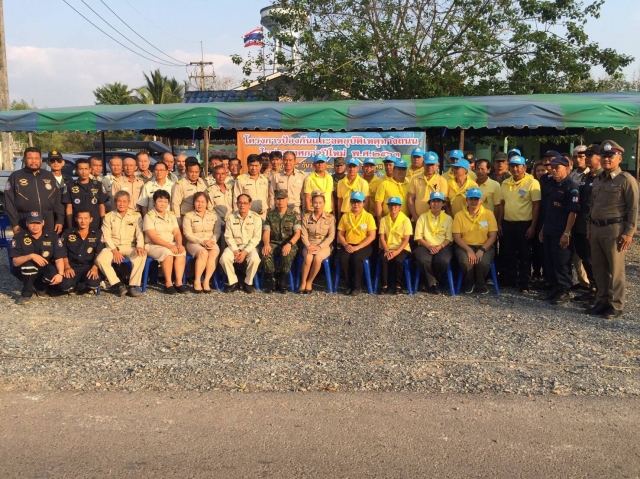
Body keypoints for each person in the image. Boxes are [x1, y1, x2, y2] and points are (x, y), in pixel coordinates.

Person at [586, 140, 639, 319]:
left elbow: (633, 208)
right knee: (599, 268)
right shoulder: (598, 180)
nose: (606, 159)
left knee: (616, 270)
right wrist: (589, 227)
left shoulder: (626, 180)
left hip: (614, 230)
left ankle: (616, 304)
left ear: (619, 158)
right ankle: (602, 301)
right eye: (604, 156)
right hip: (596, 228)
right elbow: (592, 205)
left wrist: (629, 232)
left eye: (610, 156)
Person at [538, 155, 580, 305]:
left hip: (561, 231)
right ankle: (554, 289)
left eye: (557, 168)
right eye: (553, 168)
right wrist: (543, 229)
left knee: (562, 262)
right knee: (550, 261)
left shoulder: (571, 186)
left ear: (567, 169)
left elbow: (573, 212)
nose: (554, 170)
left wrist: (567, 233)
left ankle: (564, 290)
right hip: (549, 229)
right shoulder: (552, 185)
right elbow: (549, 210)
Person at [499, 154, 541, 293]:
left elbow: (536, 206)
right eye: (512, 166)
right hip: (508, 223)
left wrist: (533, 227)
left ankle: (524, 283)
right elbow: (502, 204)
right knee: (508, 253)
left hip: (524, 224)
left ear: (524, 167)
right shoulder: (505, 183)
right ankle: (511, 280)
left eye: (518, 166)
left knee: (524, 255)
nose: (515, 169)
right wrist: (499, 223)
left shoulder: (532, 183)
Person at [96, 190, 146, 297]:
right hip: (112, 247)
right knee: (100, 259)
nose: (122, 204)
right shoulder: (109, 216)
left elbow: (140, 233)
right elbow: (106, 236)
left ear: (129, 202)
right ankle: (118, 285)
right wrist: (114, 251)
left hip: (130, 246)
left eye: (124, 201)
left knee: (141, 255)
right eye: (119, 201)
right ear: (115, 202)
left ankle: (132, 286)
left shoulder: (136, 216)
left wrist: (139, 246)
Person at [9, 212, 66, 305]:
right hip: (23, 268)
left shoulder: (52, 236)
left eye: (38, 223)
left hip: (43, 266)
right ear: (27, 224)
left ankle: (39, 288)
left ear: (43, 223)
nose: (35, 226)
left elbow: (59, 258)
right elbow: (15, 262)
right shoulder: (18, 237)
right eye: (32, 223)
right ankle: (26, 294)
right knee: (28, 266)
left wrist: (60, 274)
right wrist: (31, 256)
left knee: (54, 273)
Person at [5, 147, 64, 235]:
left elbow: (58, 200)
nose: (33, 161)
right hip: (24, 221)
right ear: (24, 159)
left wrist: (60, 220)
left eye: (36, 158)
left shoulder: (49, 176)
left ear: (41, 160)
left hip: (48, 220)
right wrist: (14, 223)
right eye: (30, 158)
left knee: (48, 243)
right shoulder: (15, 176)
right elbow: (9, 202)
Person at [452, 188, 498, 295]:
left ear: (481, 200)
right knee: (466, 262)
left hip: (485, 245)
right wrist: (468, 250)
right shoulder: (459, 215)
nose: (474, 201)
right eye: (471, 199)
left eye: (476, 199)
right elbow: (457, 237)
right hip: (464, 246)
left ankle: (480, 283)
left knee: (483, 262)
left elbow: (492, 236)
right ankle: (470, 282)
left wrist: (482, 249)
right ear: (466, 200)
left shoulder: (489, 214)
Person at [572, 144, 602, 303]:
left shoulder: (602, 177)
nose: (587, 159)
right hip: (580, 223)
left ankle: (600, 292)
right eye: (586, 155)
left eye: (590, 156)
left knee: (593, 259)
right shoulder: (586, 177)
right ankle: (592, 288)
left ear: (599, 158)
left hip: (593, 225)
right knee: (584, 256)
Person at [143, 190, 187, 294]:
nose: (163, 204)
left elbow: (177, 232)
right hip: (153, 245)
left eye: (165, 202)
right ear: (154, 202)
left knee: (181, 251)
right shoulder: (149, 216)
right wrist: (169, 246)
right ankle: (168, 283)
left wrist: (179, 244)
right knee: (167, 253)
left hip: (170, 243)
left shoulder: (171, 215)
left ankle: (178, 282)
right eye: (160, 201)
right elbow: (153, 237)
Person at [261, 189, 302, 293]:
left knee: (287, 254)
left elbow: (297, 233)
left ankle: (283, 280)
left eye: (283, 199)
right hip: (274, 243)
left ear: (287, 199)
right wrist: (266, 244)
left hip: (289, 243)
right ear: (275, 200)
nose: (280, 201)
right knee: (265, 253)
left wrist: (289, 244)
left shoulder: (295, 215)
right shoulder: (270, 215)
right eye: (278, 199)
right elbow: (266, 232)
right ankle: (272, 280)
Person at [220, 194, 262, 293]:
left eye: (245, 203)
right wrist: (235, 250)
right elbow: (228, 237)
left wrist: (245, 252)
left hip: (249, 247)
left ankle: (248, 282)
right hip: (234, 246)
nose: (242, 205)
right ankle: (233, 282)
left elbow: (256, 238)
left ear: (250, 205)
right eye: (240, 203)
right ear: (237, 204)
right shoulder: (231, 217)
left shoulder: (256, 218)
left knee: (255, 259)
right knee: (224, 259)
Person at [337, 191, 377, 295]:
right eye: (353, 201)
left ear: (363, 203)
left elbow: (372, 236)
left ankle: (357, 286)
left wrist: (358, 247)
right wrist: (346, 244)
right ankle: (349, 285)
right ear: (350, 202)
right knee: (343, 258)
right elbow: (340, 234)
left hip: (363, 245)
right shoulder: (345, 216)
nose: (356, 204)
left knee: (357, 258)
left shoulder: (368, 216)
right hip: (348, 244)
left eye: (358, 202)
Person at [413, 191, 453, 294]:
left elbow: (449, 238)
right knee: (423, 260)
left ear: (443, 204)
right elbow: (418, 237)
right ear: (429, 203)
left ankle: (430, 281)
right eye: (433, 201)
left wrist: (440, 247)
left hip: (442, 246)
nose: (436, 204)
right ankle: (434, 284)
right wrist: (429, 246)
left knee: (442, 261)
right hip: (425, 245)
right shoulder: (422, 217)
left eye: (438, 201)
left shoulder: (448, 219)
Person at [298, 190, 335, 294]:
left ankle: (310, 282)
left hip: (324, 246)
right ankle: (303, 282)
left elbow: (331, 236)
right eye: (315, 203)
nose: (317, 205)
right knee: (308, 257)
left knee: (318, 258)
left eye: (320, 203)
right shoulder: (306, 217)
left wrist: (319, 247)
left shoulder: (330, 218)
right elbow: (303, 234)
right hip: (309, 244)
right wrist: (308, 246)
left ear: (324, 203)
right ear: (312, 203)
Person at [182, 192, 221, 293]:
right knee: (203, 253)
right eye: (197, 201)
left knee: (214, 252)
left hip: (210, 241)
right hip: (194, 242)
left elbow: (217, 232)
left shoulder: (214, 215)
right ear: (194, 203)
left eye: (203, 202)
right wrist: (202, 241)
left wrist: (212, 241)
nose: (200, 204)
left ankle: (206, 281)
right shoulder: (188, 216)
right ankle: (197, 280)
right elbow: (187, 234)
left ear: (207, 203)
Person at [58, 210, 104, 295]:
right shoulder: (68, 233)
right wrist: (67, 267)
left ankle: (84, 285)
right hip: (72, 266)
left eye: (86, 218)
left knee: (93, 284)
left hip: (89, 267)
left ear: (91, 219)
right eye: (80, 218)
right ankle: (75, 286)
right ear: (76, 219)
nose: (83, 221)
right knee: (65, 286)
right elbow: (63, 252)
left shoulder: (97, 234)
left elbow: (99, 253)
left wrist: (95, 267)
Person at [378, 196, 412, 294]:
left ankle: (398, 285)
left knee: (398, 260)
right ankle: (384, 285)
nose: (393, 208)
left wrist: (397, 252)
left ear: (400, 207)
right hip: (387, 247)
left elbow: (406, 239)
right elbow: (382, 238)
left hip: (402, 248)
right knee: (383, 258)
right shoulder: (384, 219)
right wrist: (386, 249)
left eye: (396, 206)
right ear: (388, 207)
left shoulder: (405, 220)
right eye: (391, 205)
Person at [567, 145, 591, 291]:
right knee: (577, 253)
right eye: (575, 156)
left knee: (588, 255)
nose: (578, 159)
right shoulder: (572, 175)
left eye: (581, 156)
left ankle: (592, 285)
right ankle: (583, 282)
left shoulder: (592, 175)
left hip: (586, 219)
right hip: (573, 218)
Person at [62, 157, 107, 230]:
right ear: (76, 170)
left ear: (90, 170)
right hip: (76, 224)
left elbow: (102, 206)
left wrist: (103, 224)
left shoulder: (98, 185)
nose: (84, 172)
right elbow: (69, 207)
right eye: (81, 169)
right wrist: (70, 226)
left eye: (86, 169)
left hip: (95, 224)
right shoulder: (70, 185)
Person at [407, 151, 448, 222]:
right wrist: (415, 216)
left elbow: (443, 201)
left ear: (437, 165)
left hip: (435, 221)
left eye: (432, 164)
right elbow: (410, 199)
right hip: (417, 219)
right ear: (423, 164)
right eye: (428, 164)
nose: (430, 167)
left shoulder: (442, 180)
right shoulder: (415, 179)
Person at [171, 157, 208, 223]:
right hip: (186, 219)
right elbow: (175, 205)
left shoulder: (204, 183)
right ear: (186, 171)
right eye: (191, 172)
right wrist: (178, 222)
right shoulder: (180, 185)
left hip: (203, 219)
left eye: (196, 172)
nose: (194, 174)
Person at [234, 154, 270, 219]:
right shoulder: (241, 179)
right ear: (247, 165)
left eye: (256, 165)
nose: (254, 168)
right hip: (247, 216)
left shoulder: (265, 179)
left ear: (261, 165)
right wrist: (238, 216)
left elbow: (268, 197)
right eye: (251, 165)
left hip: (263, 215)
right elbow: (236, 198)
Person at [531, 161, 549, 282]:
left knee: (544, 250)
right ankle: (536, 273)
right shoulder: (532, 184)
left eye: (543, 170)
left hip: (545, 219)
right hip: (533, 219)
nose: (540, 173)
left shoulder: (550, 184)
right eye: (538, 171)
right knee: (535, 249)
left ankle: (546, 275)